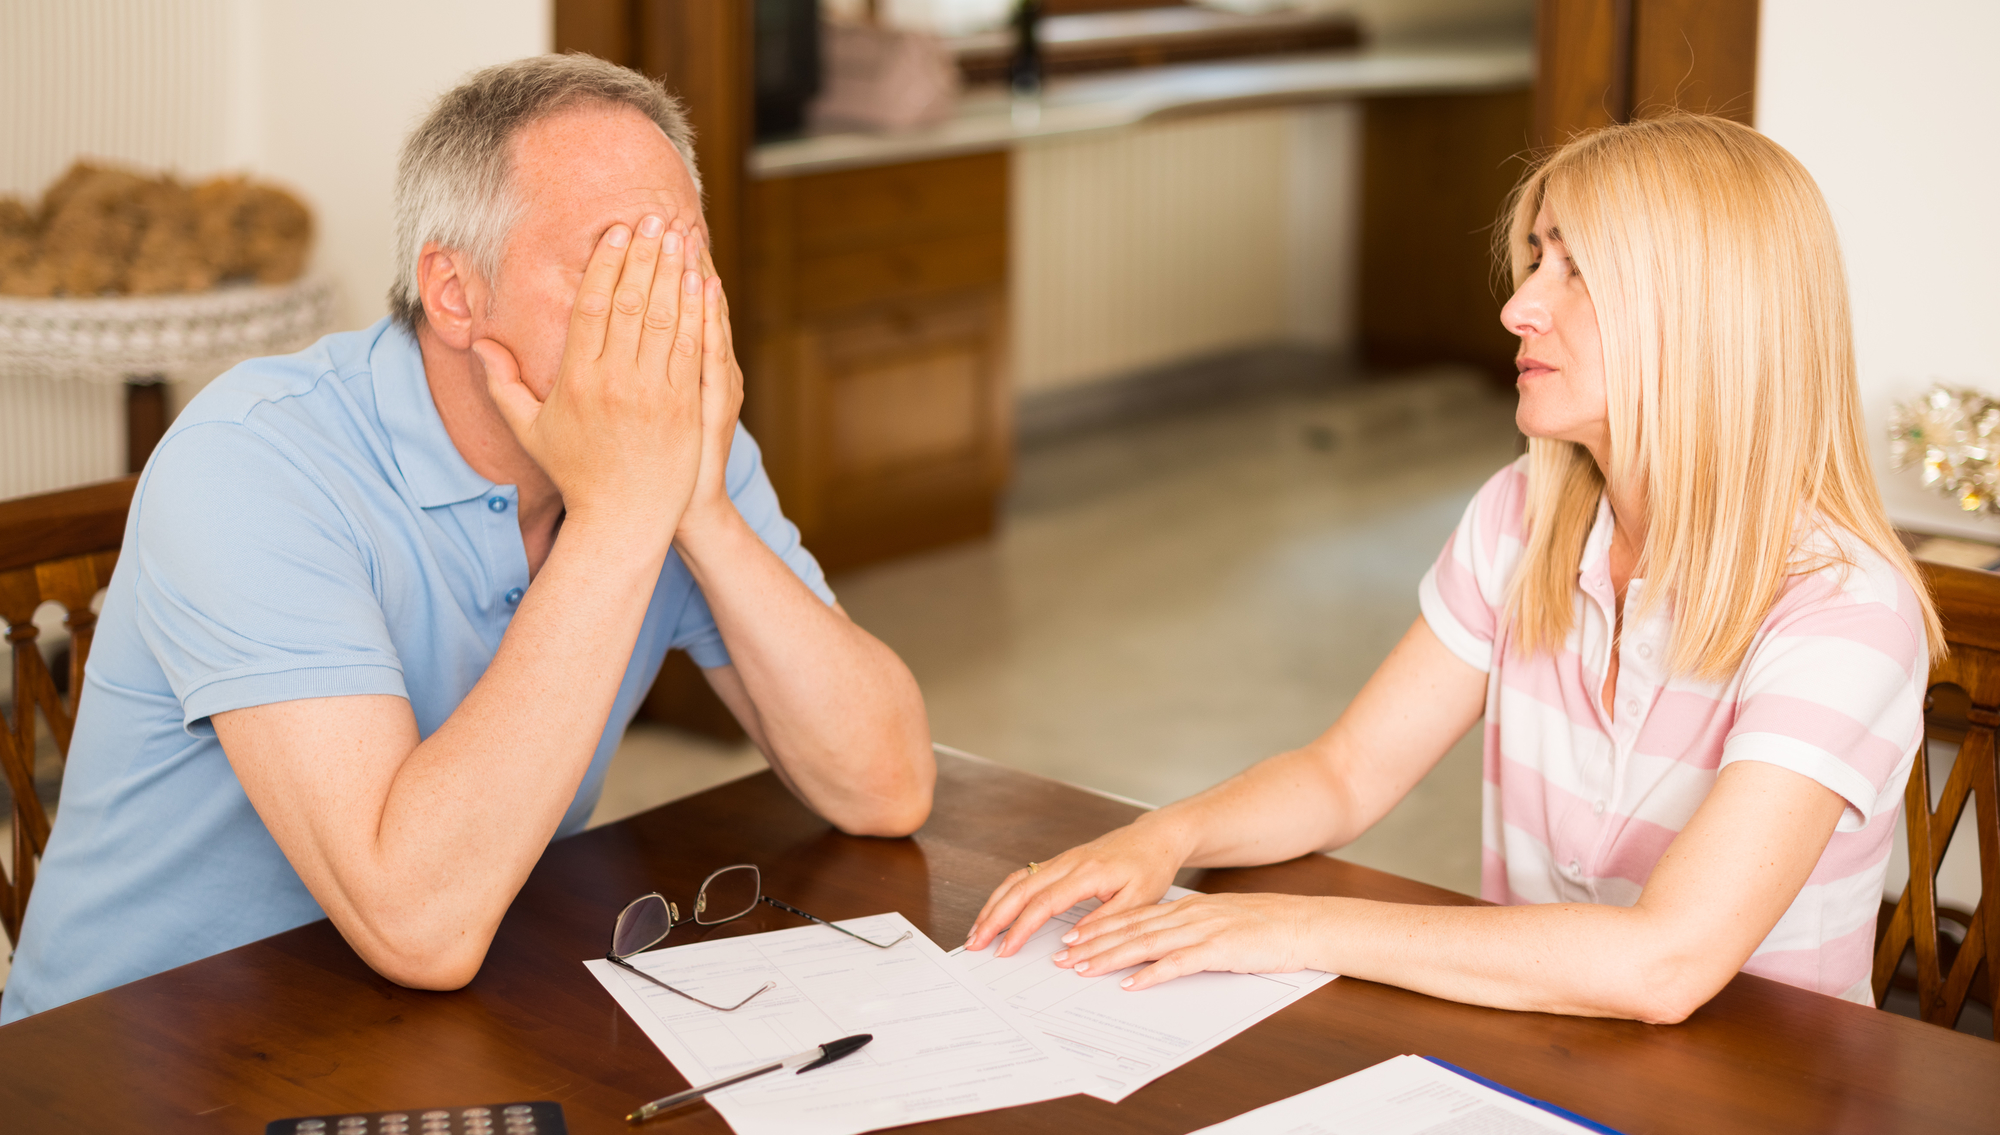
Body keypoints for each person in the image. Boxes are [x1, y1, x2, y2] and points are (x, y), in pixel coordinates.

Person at [1, 55, 934, 1021]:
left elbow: (886, 785)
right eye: (616, 261)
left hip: (417, 1026)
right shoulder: (248, 464)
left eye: (682, 256)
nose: (664, 310)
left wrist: (697, 504)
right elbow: (418, 925)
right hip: (110, 1079)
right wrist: (621, 515)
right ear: (453, 292)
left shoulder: (666, 442)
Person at [968, 113, 1939, 1023]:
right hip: (1534, 1046)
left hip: (1762, 1114)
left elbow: (1666, 963)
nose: (1519, 306)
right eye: (1533, 259)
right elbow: (1344, 774)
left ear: (1710, 318)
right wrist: (1164, 837)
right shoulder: (1519, 517)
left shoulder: (1841, 608)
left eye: (1578, 271)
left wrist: (1288, 925)